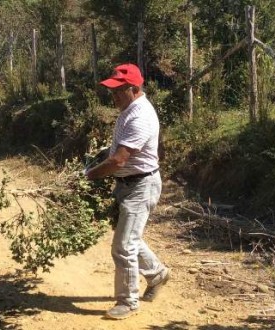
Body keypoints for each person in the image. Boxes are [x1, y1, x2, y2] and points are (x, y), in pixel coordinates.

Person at [85, 63, 170, 320]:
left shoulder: (140, 115)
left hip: (140, 186)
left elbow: (119, 160)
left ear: (133, 89)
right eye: (112, 91)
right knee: (129, 238)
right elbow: (116, 154)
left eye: (118, 91)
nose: (113, 97)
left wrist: (88, 175)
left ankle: (128, 302)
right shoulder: (128, 109)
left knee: (123, 246)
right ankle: (157, 274)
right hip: (127, 184)